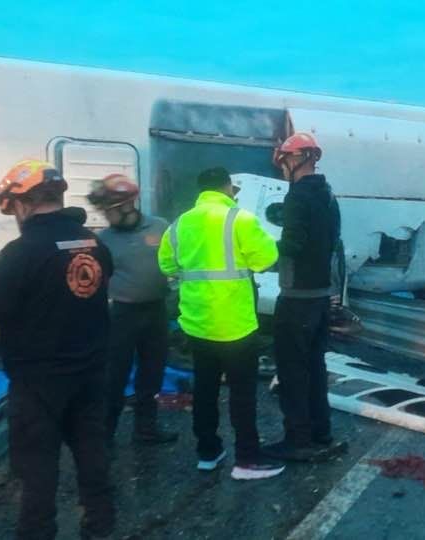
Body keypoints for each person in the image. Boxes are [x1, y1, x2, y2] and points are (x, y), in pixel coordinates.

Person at [0, 159, 115, 539]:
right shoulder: (93, 242)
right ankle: (100, 526)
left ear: (22, 202)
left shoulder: (20, 252)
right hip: (89, 371)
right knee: (92, 453)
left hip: (38, 381)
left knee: (36, 468)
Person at [158, 167, 284, 480]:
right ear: (228, 188)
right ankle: (247, 460)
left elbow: (166, 264)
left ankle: (208, 453)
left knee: (205, 389)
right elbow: (265, 260)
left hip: (198, 324)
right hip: (236, 326)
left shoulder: (180, 223)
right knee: (242, 394)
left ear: (201, 190)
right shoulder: (240, 219)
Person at [262, 132, 346, 462]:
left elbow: (293, 245)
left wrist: (262, 253)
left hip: (296, 298)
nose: (283, 168)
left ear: (295, 160)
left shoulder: (297, 196)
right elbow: (330, 240)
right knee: (314, 367)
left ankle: (298, 441)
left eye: (284, 161)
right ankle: (321, 434)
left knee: (293, 372)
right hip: (320, 297)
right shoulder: (327, 194)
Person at [86, 174, 178, 447]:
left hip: (156, 312)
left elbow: (176, 260)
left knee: (153, 373)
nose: (106, 216)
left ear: (128, 205)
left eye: (109, 211)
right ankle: (105, 434)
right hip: (121, 315)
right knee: (114, 375)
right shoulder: (103, 240)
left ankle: (145, 429)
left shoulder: (160, 227)